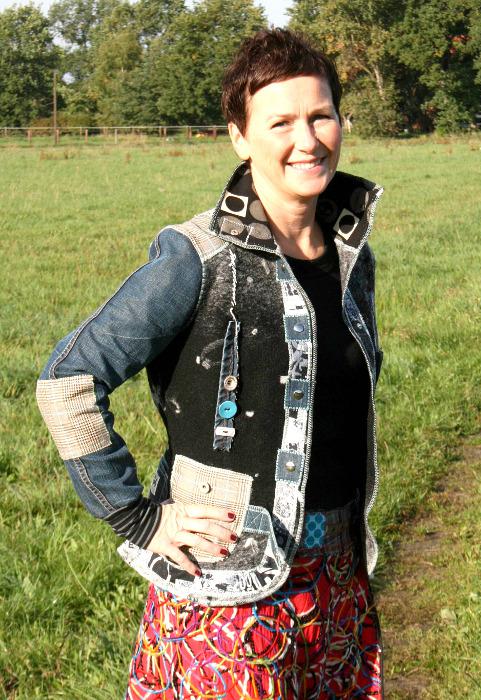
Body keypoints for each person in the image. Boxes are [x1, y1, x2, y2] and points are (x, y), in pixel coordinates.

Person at [37, 28, 384, 699]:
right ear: (239, 137)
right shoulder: (196, 259)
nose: (308, 140)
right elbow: (68, 382)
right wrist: (138, 518)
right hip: (227, 594)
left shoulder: (351, 256)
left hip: (337, 582)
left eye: (321, 116)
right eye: (280, 122)